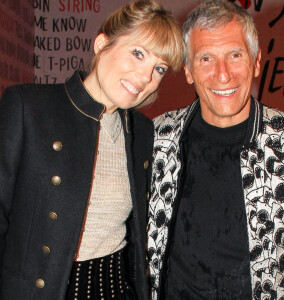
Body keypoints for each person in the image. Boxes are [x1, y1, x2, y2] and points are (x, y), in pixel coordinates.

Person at [0, 1, 184, 299]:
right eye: (138, 53)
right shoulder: (28, 108)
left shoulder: (141, 131)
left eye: (158, 68)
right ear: (102, 44)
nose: (145, 77)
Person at [147, 0, 284, 299]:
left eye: (234, 55)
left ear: (256, 62)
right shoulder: (156, 139)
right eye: (205, 59)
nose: (223, 74)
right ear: (189, 70)